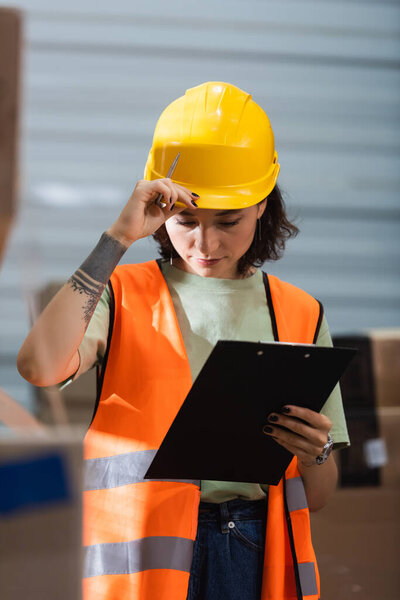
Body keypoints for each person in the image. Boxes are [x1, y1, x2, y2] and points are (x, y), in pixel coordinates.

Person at [17, 81, 349, 600]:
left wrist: (316, 453)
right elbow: (39, 366)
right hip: (140, 556)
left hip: (251, 553)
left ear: (262, 204)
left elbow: (320, 496)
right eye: (186, 220)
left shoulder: (300, 312)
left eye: (228, 221)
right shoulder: (123, 293)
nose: (205, 243)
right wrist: (117, 239)